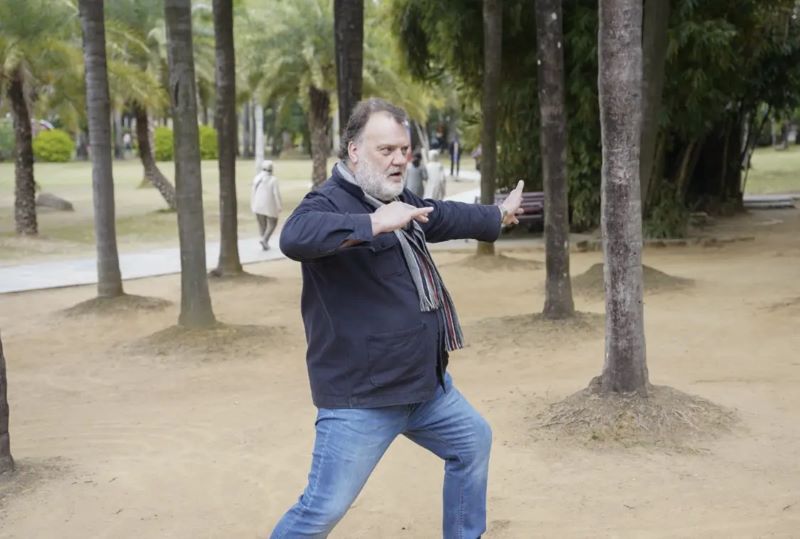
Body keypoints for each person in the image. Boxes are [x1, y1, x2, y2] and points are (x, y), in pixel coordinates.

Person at [272, 98, 523, 538]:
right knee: (321, 510)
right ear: (354, 150)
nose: (398, 159)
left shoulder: (396, 198)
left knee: (472, 443)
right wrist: (372, 224)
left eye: (404, 150)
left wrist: (497, 214)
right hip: (363, 398)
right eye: (385, 150)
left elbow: (441, 215)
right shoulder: (327, 202)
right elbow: (294, 237)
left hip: (424, 388)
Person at [251, 160, 282, 250]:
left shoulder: (257, 178)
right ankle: (264, 240)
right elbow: (276, 194)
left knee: (262, 225)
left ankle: (264, 242)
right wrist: (279, 206)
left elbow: (253, 192)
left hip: (257, 205)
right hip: (269, 206)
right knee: (273, 222)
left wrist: (252, 204)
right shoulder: (273, 180)